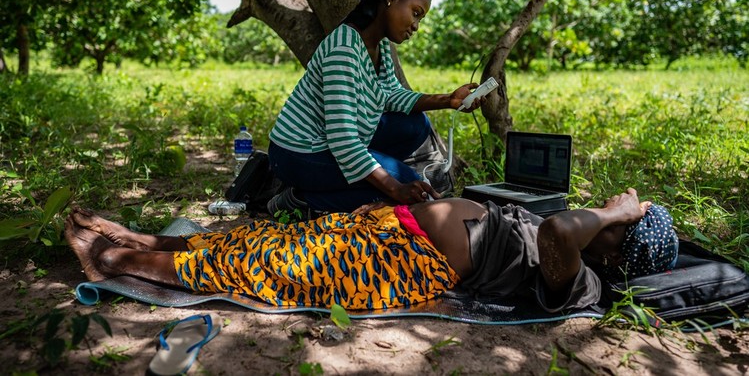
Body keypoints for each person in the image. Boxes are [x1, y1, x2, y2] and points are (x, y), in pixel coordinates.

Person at [66, 188, 678, 312]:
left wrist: (619, 211)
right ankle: (146, 241)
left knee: (268, 267)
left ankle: (112, 261)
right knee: (259, 237)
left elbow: (556, 234)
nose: (621, 206)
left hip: (402, 264)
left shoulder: (584, 280)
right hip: (392, 227)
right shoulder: (583, 241)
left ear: (618, 249)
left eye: (626, 219)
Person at [267, 0, 483, 217]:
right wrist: (395, 187)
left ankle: (352, 177)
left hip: (336, 142)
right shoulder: (344, 49)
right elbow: (344, 141)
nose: (416, 26)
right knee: (405, 187)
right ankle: (299, 199)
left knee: (416, 125)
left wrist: (448, 99)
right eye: (415, 13)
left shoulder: (377, 46)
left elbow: (391, 94)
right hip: (299, 152)